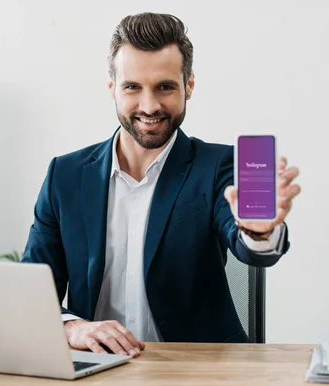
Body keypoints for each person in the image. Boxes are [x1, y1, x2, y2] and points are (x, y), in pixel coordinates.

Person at [22, 12, 301, 358]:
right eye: (133, 87)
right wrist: (71, 326)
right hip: (99, 372)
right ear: (113, 89)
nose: (149, 105)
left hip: (201, 371)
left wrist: (257, 232)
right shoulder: (65, 176)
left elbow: (246, 244)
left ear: (189, 85)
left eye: (165, 87)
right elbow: (32, 292)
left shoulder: (217, 167)